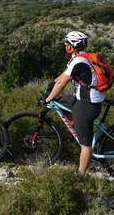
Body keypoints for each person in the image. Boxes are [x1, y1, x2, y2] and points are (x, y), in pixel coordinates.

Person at [44, 31, 104, 175]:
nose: (65, 45)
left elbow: (62, 84)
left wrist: (48, 98)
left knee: (85, 145)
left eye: (66, 43)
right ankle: (78, 127)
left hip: (87, 104)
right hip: (85, 98)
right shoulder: (81, 57)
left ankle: (81, 175)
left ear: (72, 46)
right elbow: (63, 76)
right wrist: (51, 84)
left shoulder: (78, 61)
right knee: (62, 102)